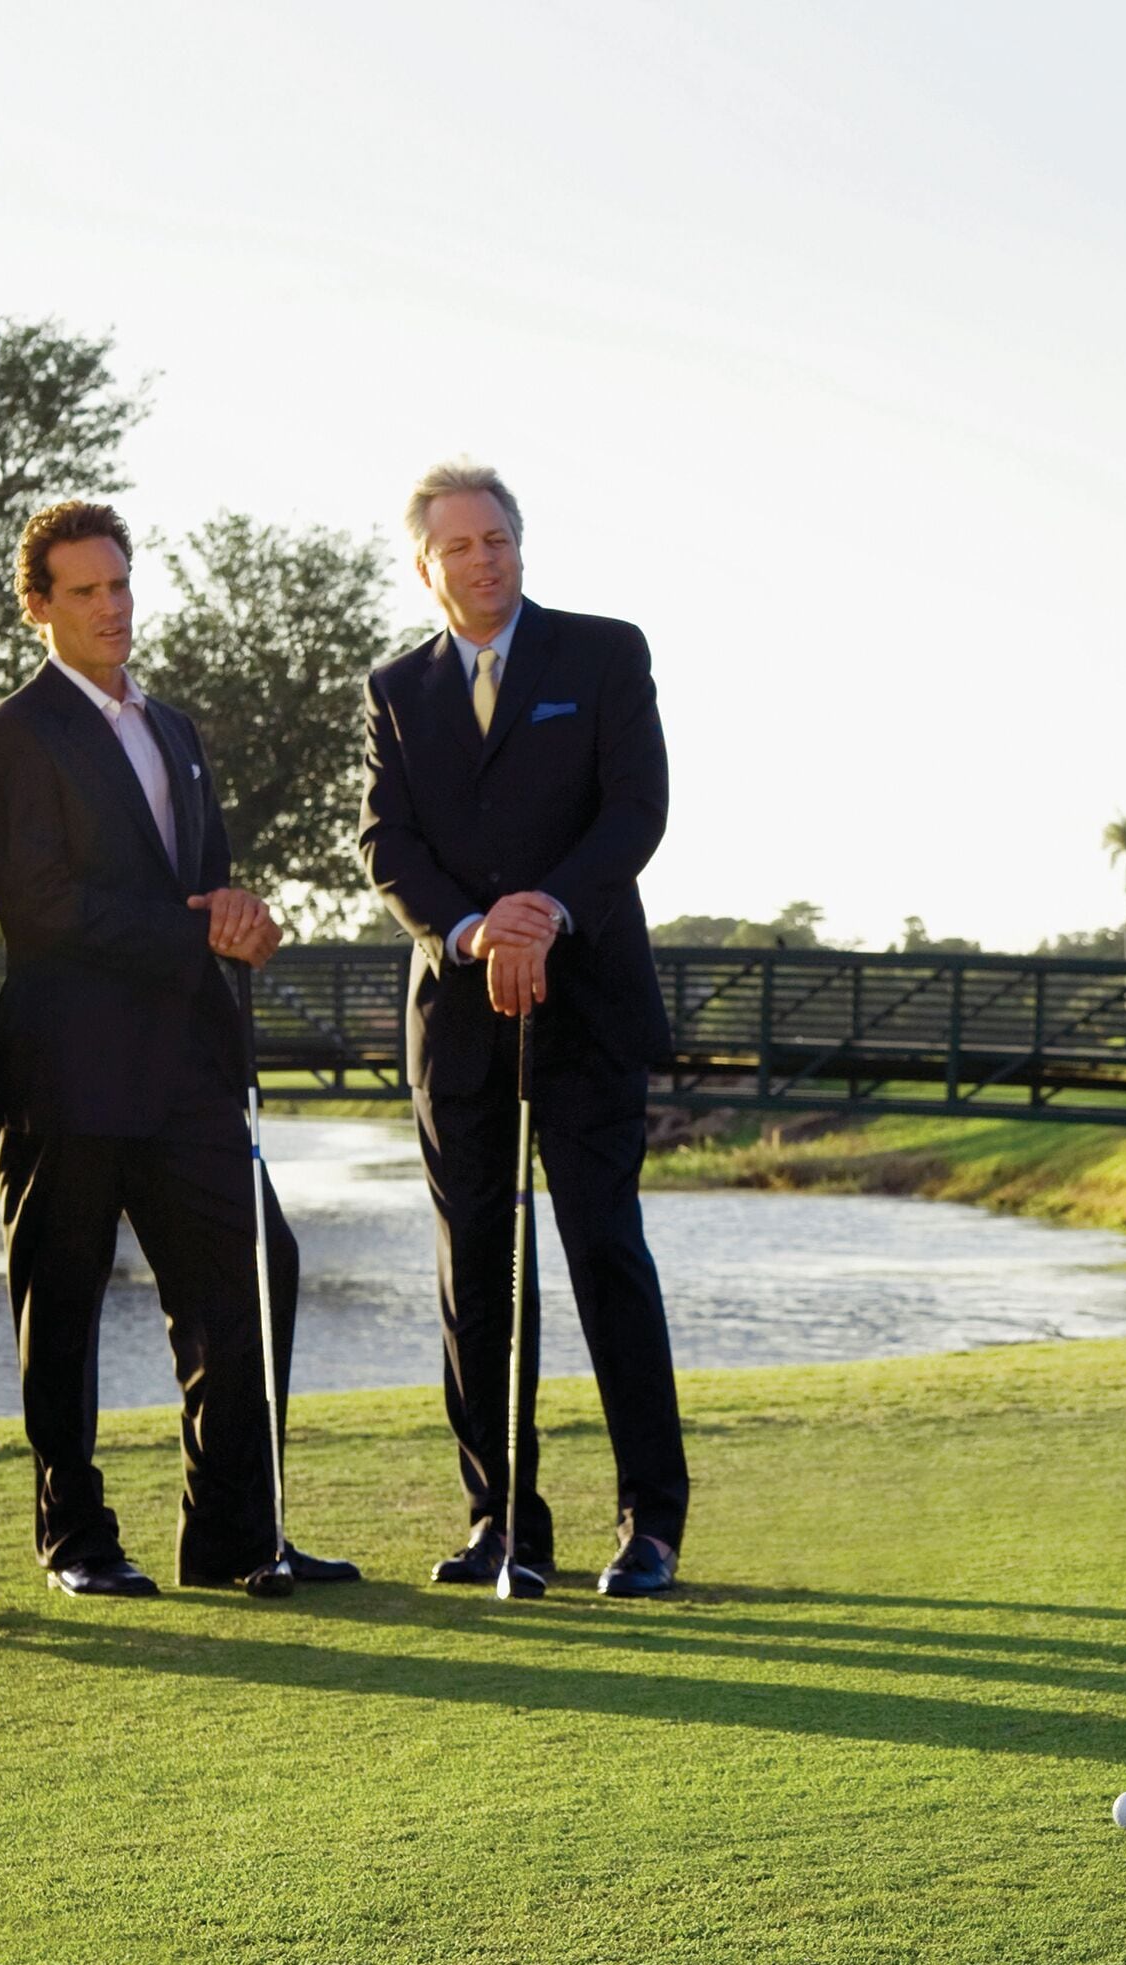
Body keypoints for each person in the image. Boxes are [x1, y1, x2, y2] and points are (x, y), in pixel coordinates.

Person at [0, 501, 357, 1599]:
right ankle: (74, 1536)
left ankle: (233, 1532)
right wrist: (197, 924)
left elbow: (212, 880)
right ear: (37, 605)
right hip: (65, 1072)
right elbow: (42, 908)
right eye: (84, 591)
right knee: (65, 1306)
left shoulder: (176, 729)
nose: (111, 608)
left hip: (187, 1067)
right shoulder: (9, 737)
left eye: (121, 584)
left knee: (258, 1271)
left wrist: (245, 916)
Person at [358, 460, 685, 1598]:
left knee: (603, 1253)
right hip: (456, 1020)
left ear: (519, 544)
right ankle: (505, 1521)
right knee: (476, 1275)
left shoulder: (602, 653)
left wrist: (543, 912)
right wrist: (469, 928)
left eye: (497, 538)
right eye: (459, 545)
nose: (483, 558)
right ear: (425, 566)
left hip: (586, 1007)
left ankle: (651, 1524)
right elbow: (385, 842)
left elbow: (636, 805)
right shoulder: (396, 689)